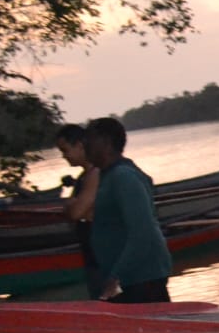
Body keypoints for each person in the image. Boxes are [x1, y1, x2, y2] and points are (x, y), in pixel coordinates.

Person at [82, 116, 172, 303]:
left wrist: (115, 278)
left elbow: (142, 232)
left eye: (89, 139)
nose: (85, 145)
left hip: (141, 277)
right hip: (128, 277)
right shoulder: (107, 176)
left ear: (106, 143)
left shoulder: (124, 177)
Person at [55, 123, 103, 297]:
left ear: (80, 146)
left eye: (65, 150)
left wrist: (71, 205)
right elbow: (75, 211)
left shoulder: (95, 174)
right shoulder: (85, 177)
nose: (64, 156)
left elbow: (75, 212)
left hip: (102, 256)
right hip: (92, 254)